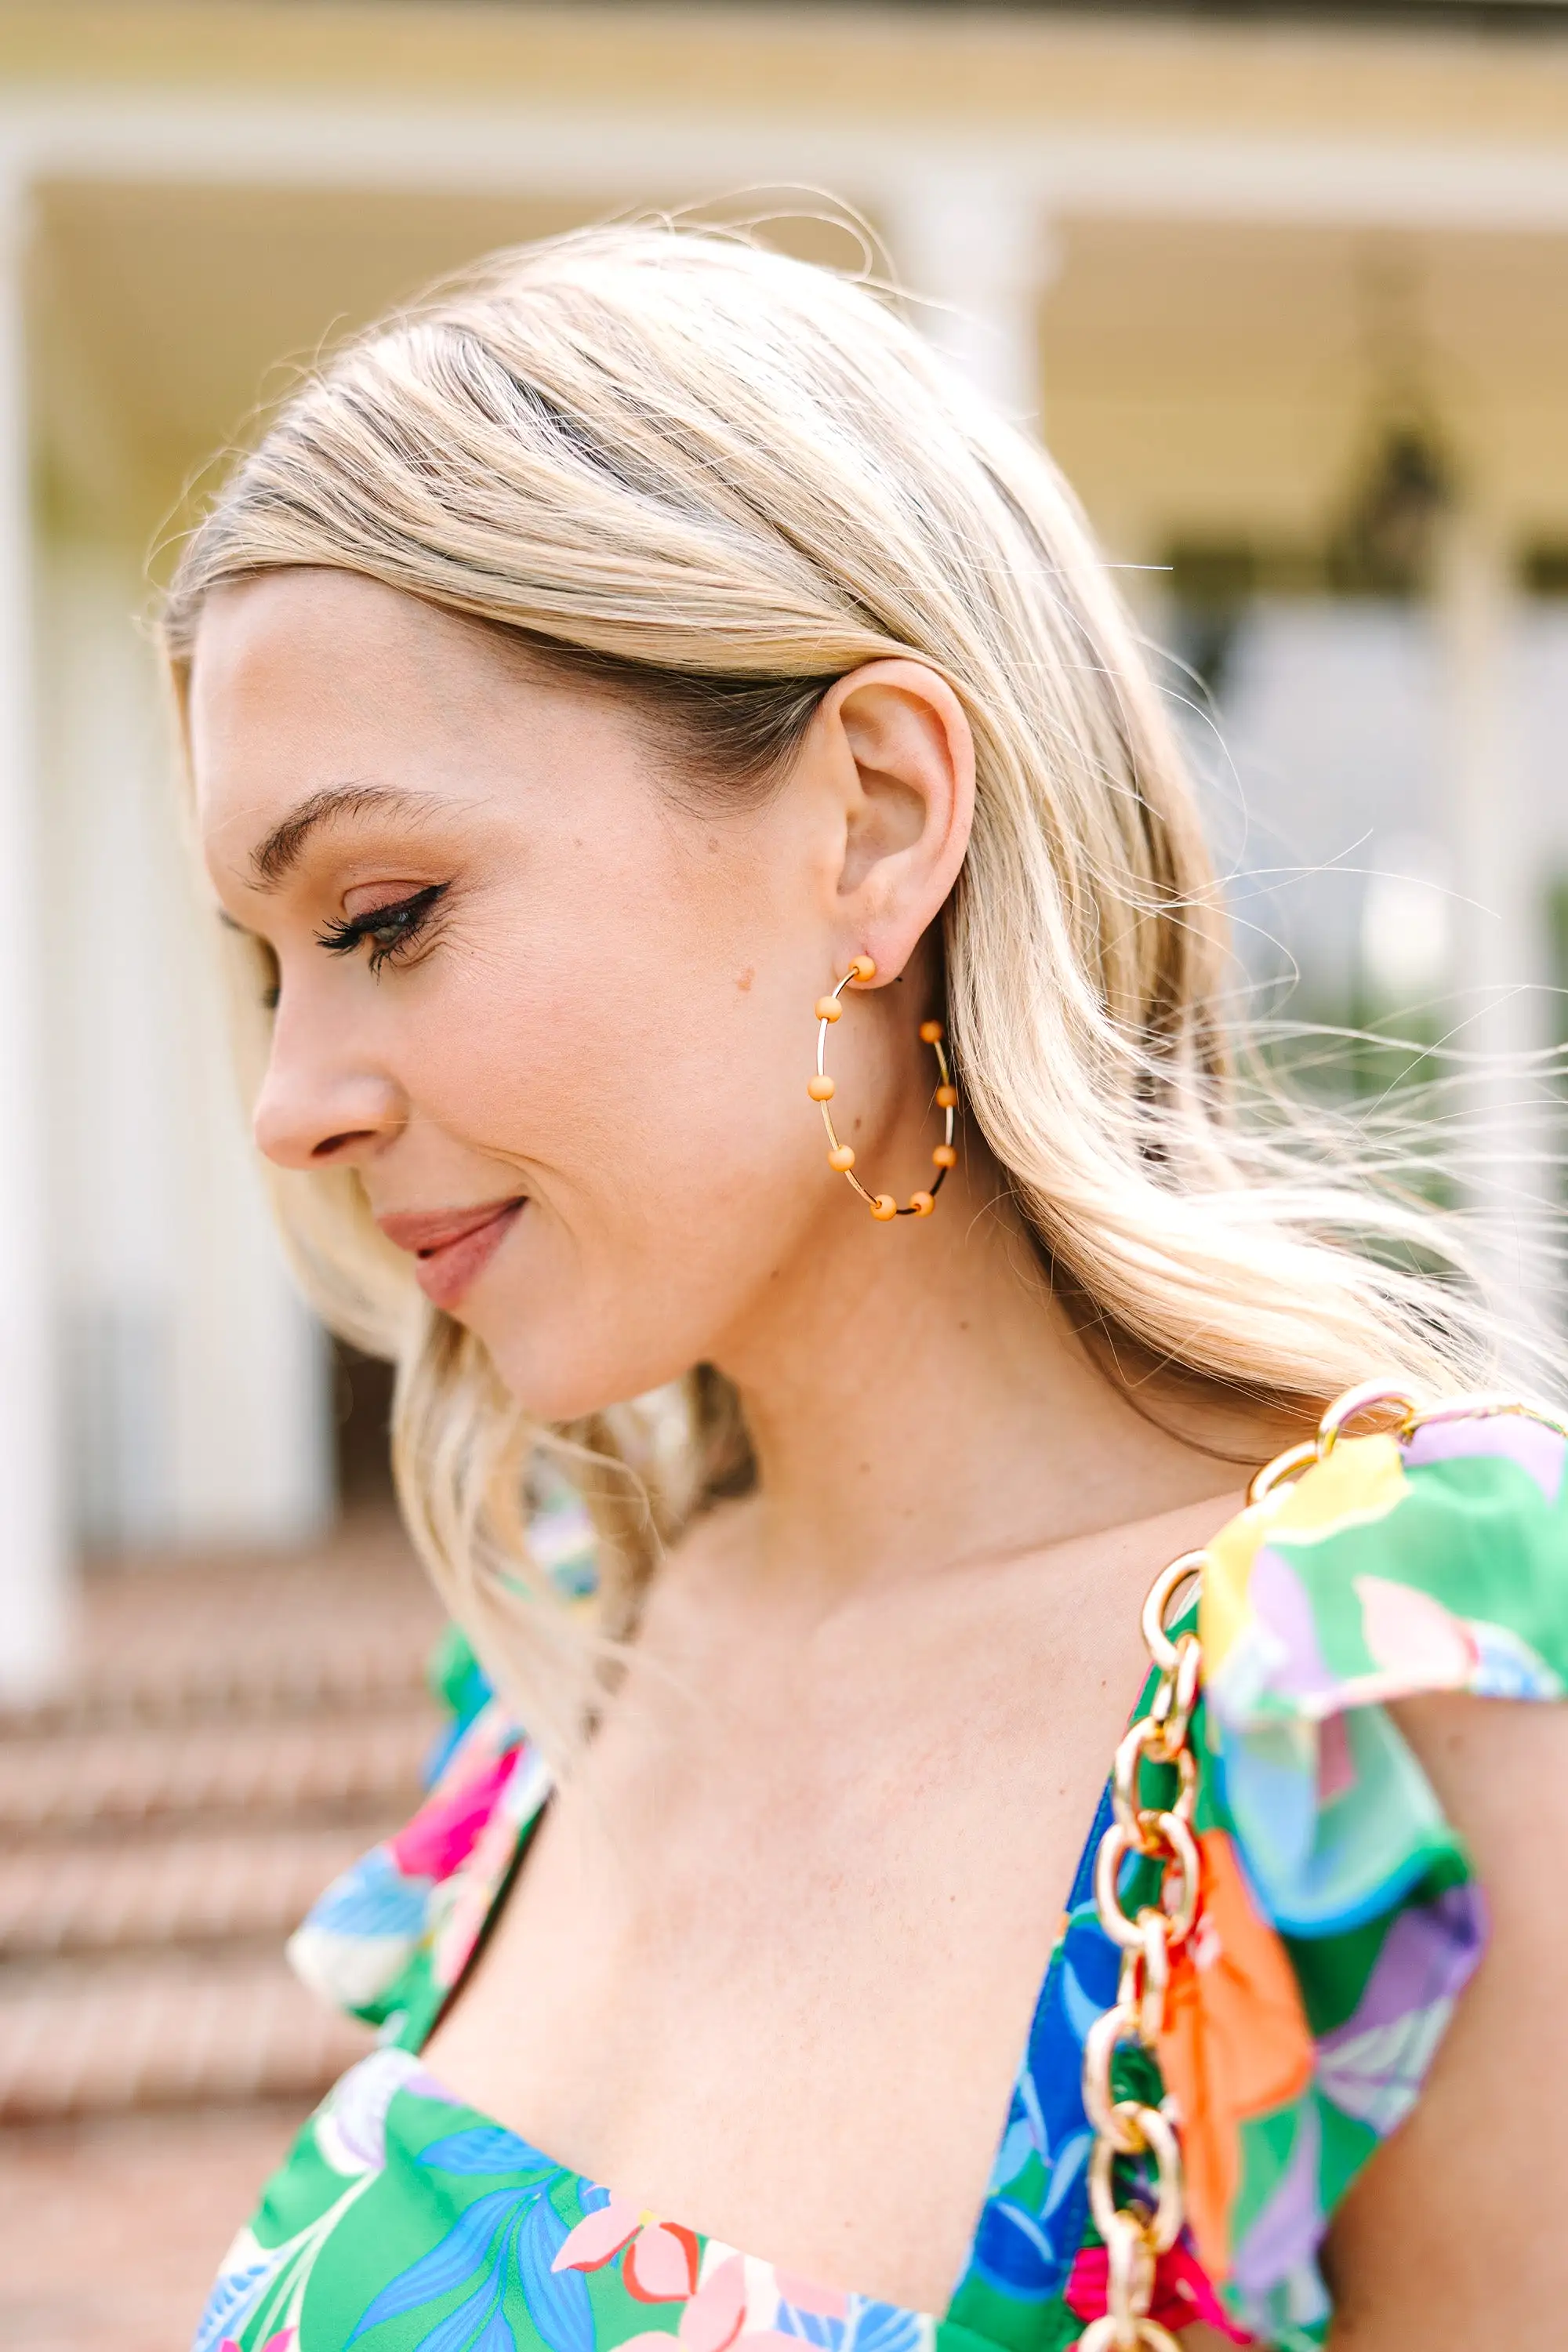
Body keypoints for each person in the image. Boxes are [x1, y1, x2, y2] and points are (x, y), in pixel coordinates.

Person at [167, 224, 1568, 2352]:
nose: (291, 1102)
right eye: (266, 966)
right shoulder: (584, 1643)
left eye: (387, 909)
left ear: (878, 821)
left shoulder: (1385, 1723)